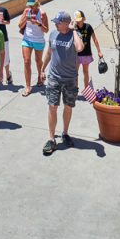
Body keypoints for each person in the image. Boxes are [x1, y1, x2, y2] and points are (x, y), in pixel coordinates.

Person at [39, 11, 84, 155]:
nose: (55, 24)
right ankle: (51, 139)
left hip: (70, 79)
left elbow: (79, 48)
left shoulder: (75, 36)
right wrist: (42, 69)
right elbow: (48, 53)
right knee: (52, 106)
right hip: (54, 77)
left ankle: (65, 133)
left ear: (66, 23)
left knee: (68, 107)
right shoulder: (53, 34)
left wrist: (74, 30)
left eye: (58, 22)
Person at [19, 0, 49, 96]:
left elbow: (46, 30)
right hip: (27, 39)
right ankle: (28, 86)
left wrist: (38, 23)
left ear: (37, 4)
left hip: (39, 40)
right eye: (30, 6)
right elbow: (19, 25)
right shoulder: (26, 11)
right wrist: (25, 19)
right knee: (26, 61)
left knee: (38, 61)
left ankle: (40, 77)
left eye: (33, 6)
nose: (31, 8)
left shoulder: (42, 13)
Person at [74, 11, 102, 89]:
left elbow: (94, 39)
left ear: (84, 19)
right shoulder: (74, 28)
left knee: (85, 72)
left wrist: (99, 51)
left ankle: (86, 89)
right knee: (75, 73)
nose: (79, 22)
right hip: (76, 54)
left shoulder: (88, 27)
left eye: (80, 20)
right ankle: (75, 89)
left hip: (86, 54)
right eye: (77, 20)